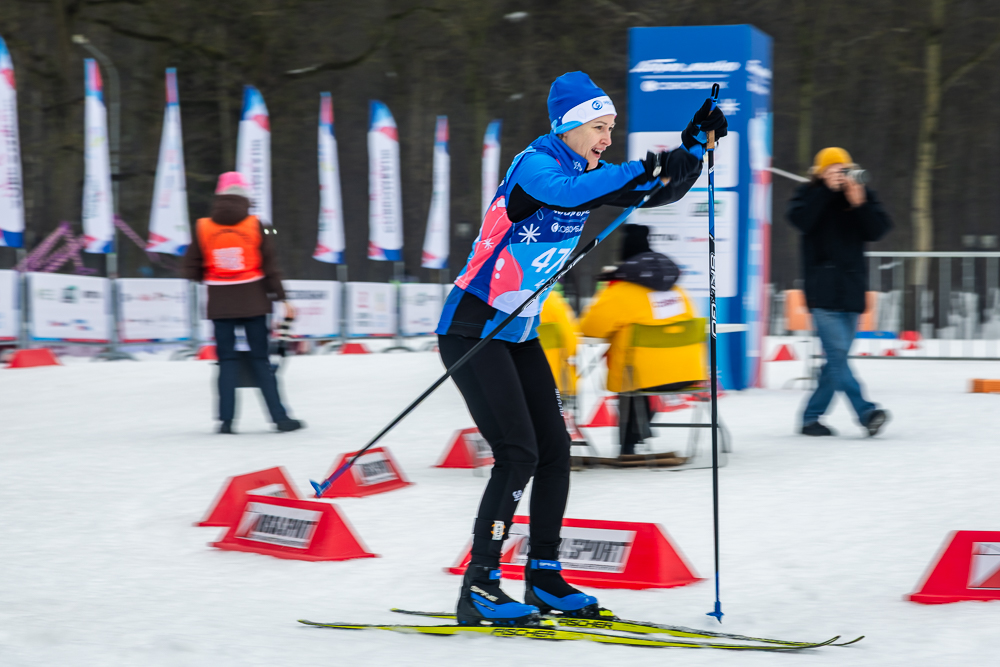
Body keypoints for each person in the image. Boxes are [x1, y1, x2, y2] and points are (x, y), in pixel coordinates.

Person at [435, 71, 726, 625]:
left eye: (612, 128)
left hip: (517, 333)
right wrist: (645, 165)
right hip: (472, 331)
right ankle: (479, 586)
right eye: (599, 126)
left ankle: (542, 576)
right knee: (518, 452)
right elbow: (568, 193)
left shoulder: (593, 172)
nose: (607, 138)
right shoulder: (534, 166)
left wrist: (693, 145)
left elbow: (663, 189)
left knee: (554, 450)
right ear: (570, 125)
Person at [183, 172, 304, 434]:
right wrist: (283, 299)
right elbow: (271, 267)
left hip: (220, 305)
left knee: (226, 361)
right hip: (254, 303)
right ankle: (280, 418)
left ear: (219, 195)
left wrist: (215, 274)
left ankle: (225, 422)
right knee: (260, 360)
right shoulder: (257, 224)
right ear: (246, 196)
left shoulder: (203, 226)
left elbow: (190, 269)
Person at [787, 147, 892, 437]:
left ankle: (810, 418)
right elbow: (801, 221)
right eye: (833, 170)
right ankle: (867, 412)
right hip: (822, 294)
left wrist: (860, 204)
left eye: (843, 169)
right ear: (819, 172)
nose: (840, 175)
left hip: (851, 293)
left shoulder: (860, 194)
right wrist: (825, 191)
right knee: (837, 358)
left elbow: (878, 230)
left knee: (836, 362)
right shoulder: (807, 195)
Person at [580, 225, 704, 456]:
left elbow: (590, 328)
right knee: (646, 374)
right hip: (686, 374)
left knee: (634, 378)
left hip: (637, 379)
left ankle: (628, 445)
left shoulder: (621, 291)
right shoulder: (677, 290)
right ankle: (639, 431)